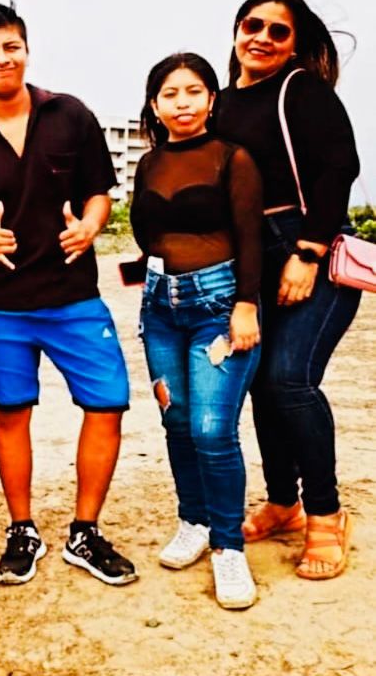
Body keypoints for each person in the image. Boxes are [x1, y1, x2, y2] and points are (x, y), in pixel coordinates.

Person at [0, 1, 136, 587]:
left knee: (107, 403)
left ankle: (85, 531)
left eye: (11, 46)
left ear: (26, 50)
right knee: (11, 412)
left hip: (73, 294)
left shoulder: (70, 114)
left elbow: (99, 190)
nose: (1, 58)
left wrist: (92, 225)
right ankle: (21, 528)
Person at [216, 0, 361, 581]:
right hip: (249, 256)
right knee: (258, 382)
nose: (263, 38)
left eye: (279, 31)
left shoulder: (300, 90)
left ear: (295, 44)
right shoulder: (219, 103)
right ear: (236, 29)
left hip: (308, 246)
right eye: (253, 25)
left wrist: (308, 251)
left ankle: (326, 514)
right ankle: (283, 502)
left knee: (290, 379)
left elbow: (339, 167)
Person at [131, 53, 262, 609]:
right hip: (160, 307)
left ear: (211, 99)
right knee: (177, 420)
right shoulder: (149, 162)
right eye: (170, 93)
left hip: (219, 305)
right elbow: (146, 236)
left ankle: (229, 546)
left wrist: (246, 306)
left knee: (212, 429)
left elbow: (250, 236)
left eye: (192, 91)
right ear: (155, 105)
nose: (181, 103)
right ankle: (195, 521)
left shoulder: (233, 158)